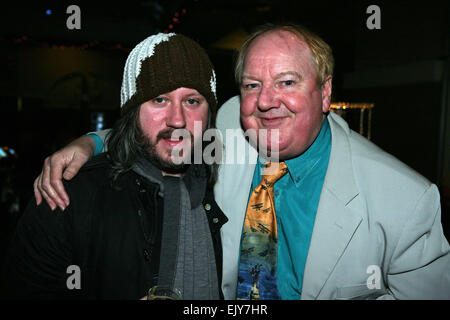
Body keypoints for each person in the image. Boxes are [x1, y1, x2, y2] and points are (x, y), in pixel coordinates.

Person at [32, 24, 450, 300]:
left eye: (287, 82)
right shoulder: (233, 121)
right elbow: (164, 130)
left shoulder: (407, 201)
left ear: (325, 93)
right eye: (253, 84)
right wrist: (90, 143)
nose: (267, 101)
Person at [1, 33, 228, 299]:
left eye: (192, 101)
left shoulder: (220, 186)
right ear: (132, 111)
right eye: (159, 99)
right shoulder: (67, 197)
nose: (177, 120)